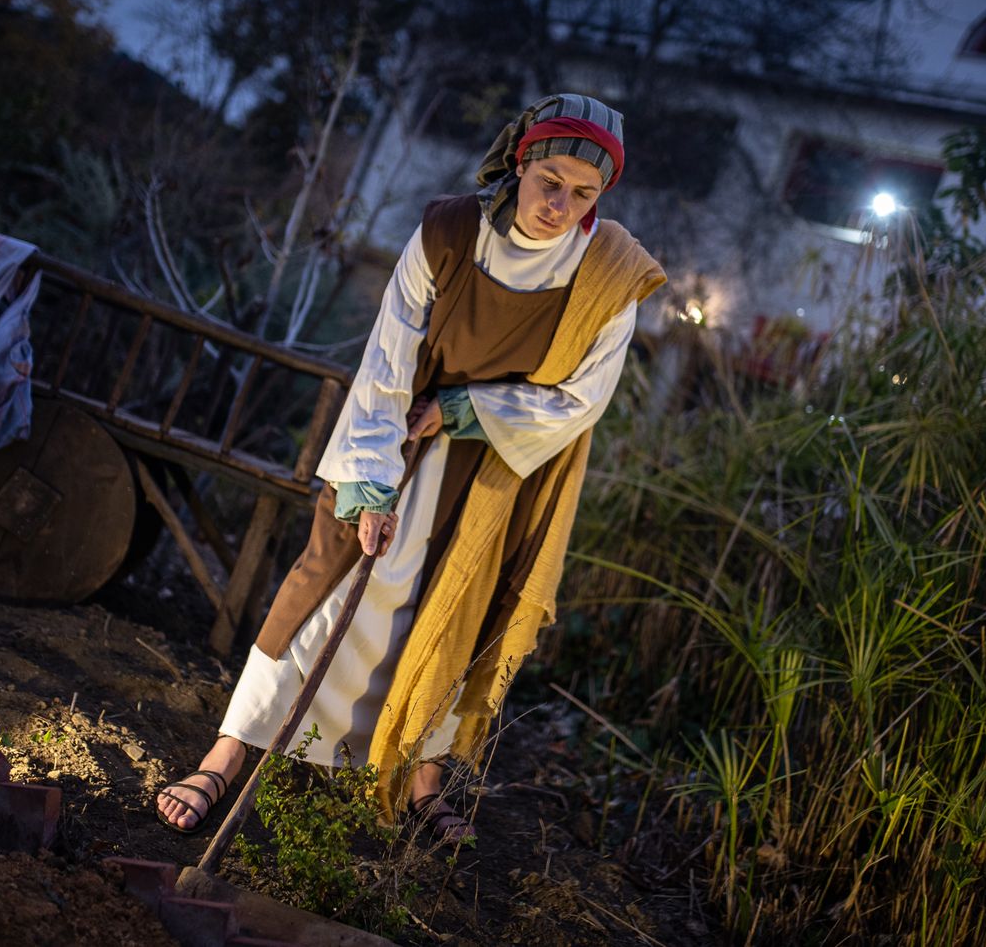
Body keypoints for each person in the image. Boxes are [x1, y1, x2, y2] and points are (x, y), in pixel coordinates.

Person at [156, 93, 665, 844]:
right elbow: (387, 364)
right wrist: (372, 485)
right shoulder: (449, 232)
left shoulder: (610, 275)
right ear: (521, 161)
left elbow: (582, 399)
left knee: (453, 611)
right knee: (325, 590)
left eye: (584, 193)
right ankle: (228, 752)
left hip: (495, 471)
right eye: (549, 180)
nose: (560, 205)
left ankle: (420, 779)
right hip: (398, 442)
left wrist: (468, 409)